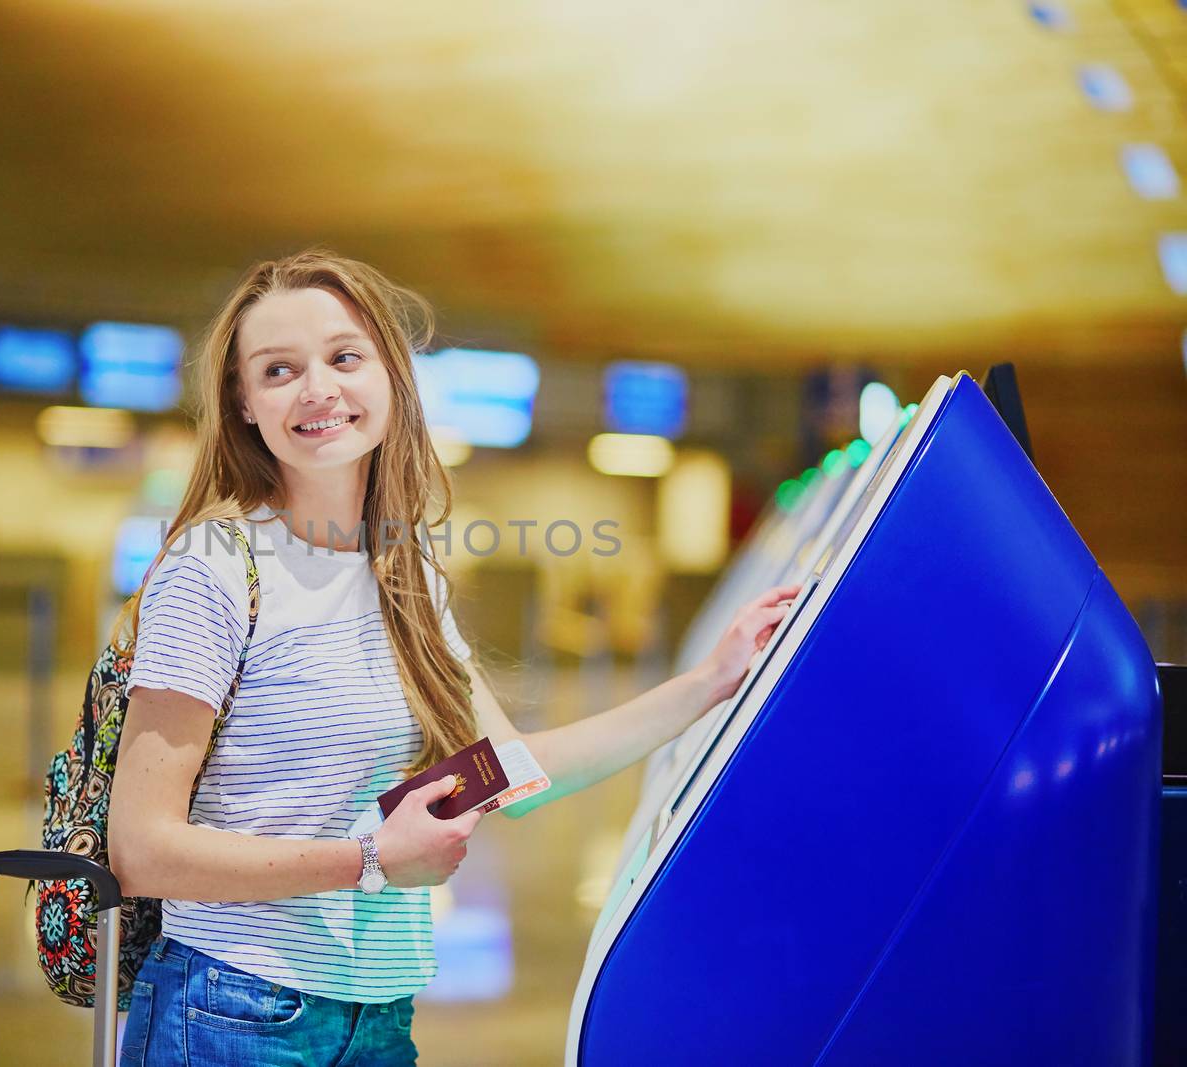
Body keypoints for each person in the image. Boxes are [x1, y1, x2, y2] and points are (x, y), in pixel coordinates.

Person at [108, 249, 797, 1066]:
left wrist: (709, 682)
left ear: (392, 379)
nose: (318, 388)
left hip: (380, 1017)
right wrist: (368, 859)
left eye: (344, 356)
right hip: (231, 1010)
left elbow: (510, 772)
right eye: (279, 369)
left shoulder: (405, 571)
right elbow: (143, 849)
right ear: (246, 405)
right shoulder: (215, 566)